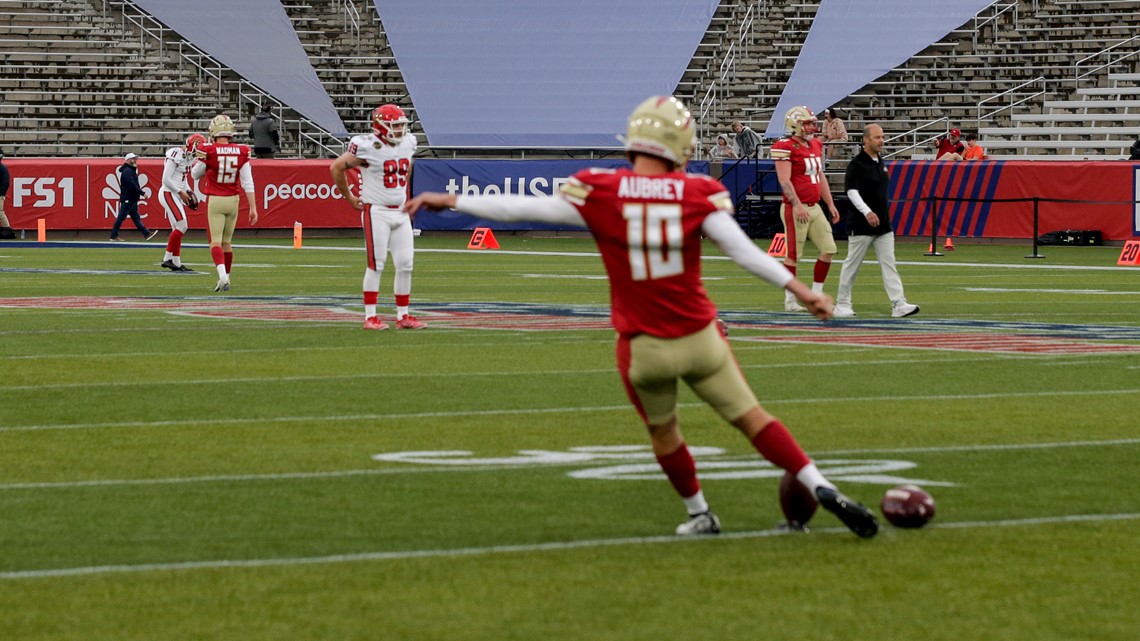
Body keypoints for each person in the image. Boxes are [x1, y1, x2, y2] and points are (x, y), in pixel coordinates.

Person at [405, 95, 878, 539]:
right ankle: (819, 484)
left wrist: (451, 200)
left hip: (644, 345)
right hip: (701, 336)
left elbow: (524, 207)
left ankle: (700, 514)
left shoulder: (603, 188)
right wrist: (798, 289)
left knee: (664, 430)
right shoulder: (697, 190)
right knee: (752, 417)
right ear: (680, 146)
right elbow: (738, 250)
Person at [330, 103, 426, 330]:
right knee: (376, 264)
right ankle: (370, 316)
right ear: (380, 126)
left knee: (406, 264)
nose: (400, 130)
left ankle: (403, 315)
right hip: (377, 212)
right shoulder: (367, 147)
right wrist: (350, 197)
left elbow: (406, 169)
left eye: (402, 125)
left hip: (400, 212)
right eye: (395, 125)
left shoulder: (409, 143)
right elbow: (336, 167)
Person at [834, 124, 920, 319]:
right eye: (877, 137)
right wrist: (867, 212)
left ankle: (898, 303)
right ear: (866, 140)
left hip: (883, 225)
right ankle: (842, 303)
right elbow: (851, 191)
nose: (881, 140)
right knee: (852, 265)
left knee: (889, 264)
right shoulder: (857, 164)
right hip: (861, 224)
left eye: (882, 136)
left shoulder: (880, 162)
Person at [771, 105, 841, 312]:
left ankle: (816, 295)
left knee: (829, 249)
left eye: (812, 122)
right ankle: (790, 301)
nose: (812, 126)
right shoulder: (785, 146)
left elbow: (819, 176)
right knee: (793, 255)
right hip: (795, 208)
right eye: (808, 123)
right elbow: (784, 180)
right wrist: (797, 204)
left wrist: (829, 203)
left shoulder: (816, 145)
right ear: (796, 125)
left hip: (815, 206)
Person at [191, 114, 259, 292]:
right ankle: (227, 277)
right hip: (234, 201)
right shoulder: (242, 151)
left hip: (216, 200)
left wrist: (208, 162)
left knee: (215, 242)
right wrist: (253, 207)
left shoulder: (209, 150)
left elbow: (195, 174)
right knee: (227, 243)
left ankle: (222, 276)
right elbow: (248, 182)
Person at [158, 133, 206, 272]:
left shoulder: (189, 158)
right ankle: (167, 258)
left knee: (178, 228)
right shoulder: (176, 154)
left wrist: (189, 191)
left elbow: (182, 180)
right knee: (182, 226)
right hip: (168, 192)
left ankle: (176, 263)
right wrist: (180, 192)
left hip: (176, 193)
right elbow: (166, 179)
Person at [109, 153, 158, 242]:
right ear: (128, 160)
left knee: (136, 218)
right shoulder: (128, 171)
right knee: (121, 217)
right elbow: (132, 185)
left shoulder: (129, 170)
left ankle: (146, 233)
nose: (135, 160)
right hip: (128, 198)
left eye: (135, 159)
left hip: (132, 199)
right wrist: (142, 193)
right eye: (133, 159)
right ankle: (113, 236)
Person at [0, 148, 14, 239]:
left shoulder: (2, 168)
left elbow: (5, 183)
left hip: (0, 194)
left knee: (0, 212)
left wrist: (1, 193)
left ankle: (7, 229)